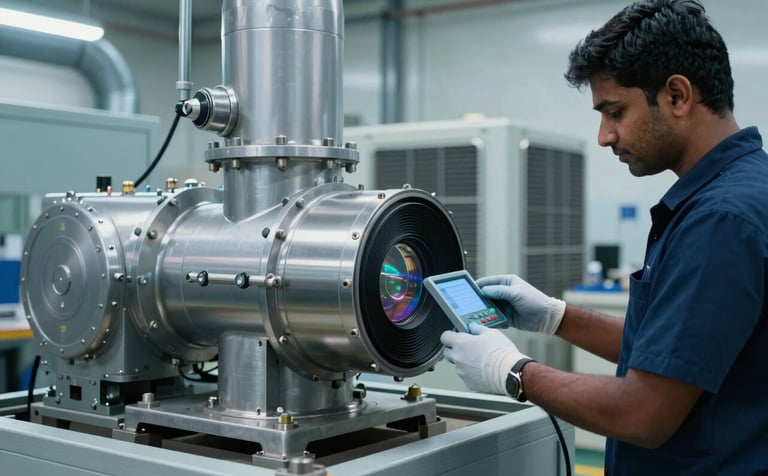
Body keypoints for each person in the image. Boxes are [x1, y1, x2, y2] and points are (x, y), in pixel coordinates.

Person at [440, 1, 768, 474]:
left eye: (615, 112)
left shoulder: (720, 220)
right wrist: (557, 317)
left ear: (677, 96)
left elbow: (643, 413)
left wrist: (511, 371)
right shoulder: (742, 190)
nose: (604, 136)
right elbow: (674, 352)